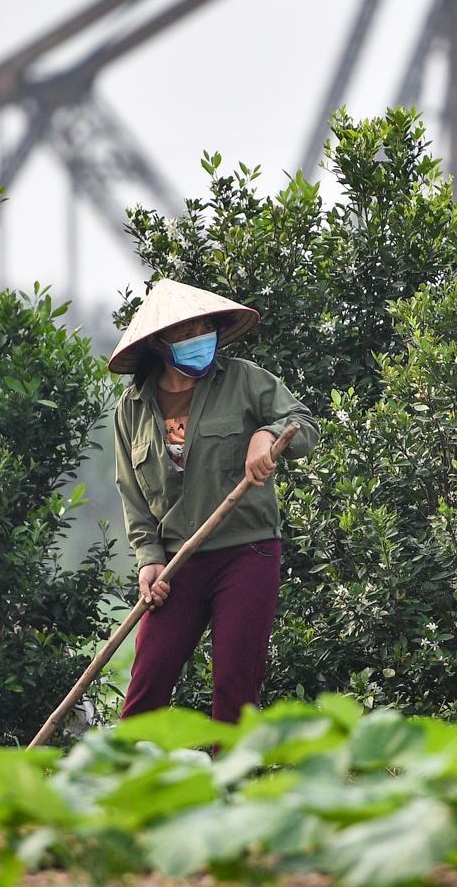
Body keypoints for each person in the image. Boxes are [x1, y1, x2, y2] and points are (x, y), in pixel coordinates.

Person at [109, 279, 317, 723]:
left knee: (234, 685)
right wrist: (148, 560)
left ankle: (232, 786)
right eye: (186, 331)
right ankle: (129, 786)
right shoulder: (132, 408)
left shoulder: (244, 379)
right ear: (159, 343)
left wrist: (267, 434)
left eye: (206, 327)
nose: (199, 337)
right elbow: (132, 492)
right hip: (176, 563)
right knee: (147, 684)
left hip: (247, 551)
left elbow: (303, 423)